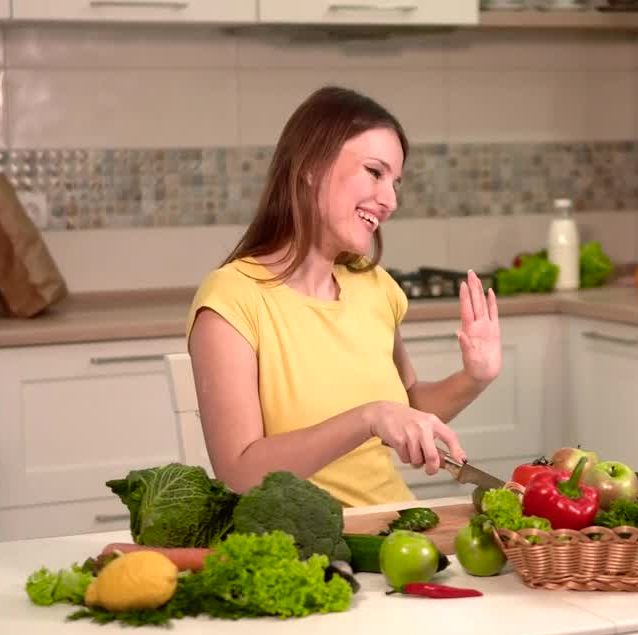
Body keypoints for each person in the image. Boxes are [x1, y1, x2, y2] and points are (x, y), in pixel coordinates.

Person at [185, 85, 503, 507]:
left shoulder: (375, 288)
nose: (390, 200)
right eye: (375, 172)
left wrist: (473, 377)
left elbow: (406, 406)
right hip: (301, 538)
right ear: (310, 166)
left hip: (394, 524)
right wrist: (369, 417)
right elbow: (239, 471)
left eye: (395, 183)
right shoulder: (233, 299)